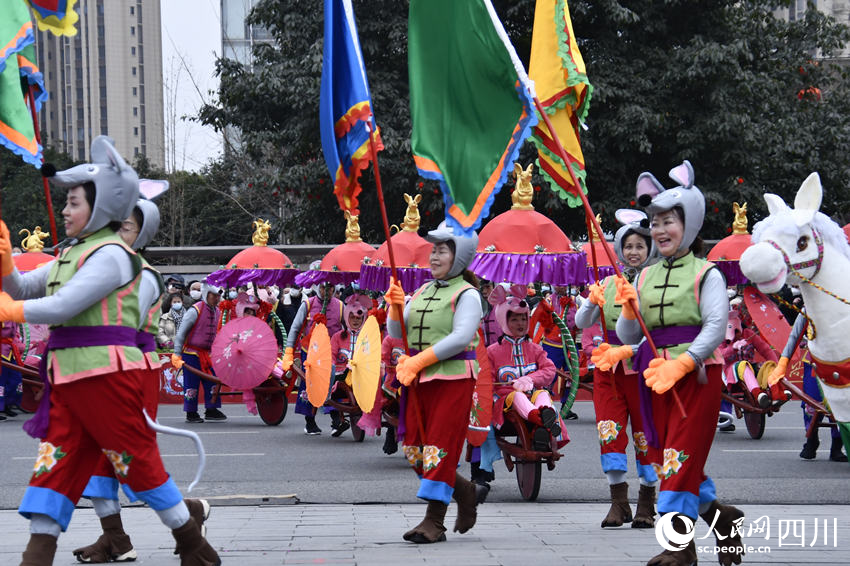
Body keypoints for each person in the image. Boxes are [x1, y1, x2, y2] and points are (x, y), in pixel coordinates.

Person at [0, 136, 218, 565]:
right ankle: (36, 556)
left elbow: (62, 306)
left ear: (100, 207)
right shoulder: (72, 254)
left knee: (135, 464)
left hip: (106, 375)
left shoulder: (114, 257)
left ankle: (195, 546)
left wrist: (9, 309)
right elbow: (22, 287)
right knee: (54, 465)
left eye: (74, 202)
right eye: (65, 202)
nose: (65, 211)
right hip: (68, 377)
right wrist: (6, 262)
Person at [609, 161, 742, 566]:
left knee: (678, 457)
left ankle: (679, 547)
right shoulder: (643, 277)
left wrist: (685, 363)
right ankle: (722, 519)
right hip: (654, 377)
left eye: (669, 221)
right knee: (666, 457)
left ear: (690, 223)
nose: (660, 230)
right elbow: (628, 336)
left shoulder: (707, 273)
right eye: (655, 223)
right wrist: (628, 309)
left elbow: (716, 326)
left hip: (697, 377)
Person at [385, 221, 486, 544]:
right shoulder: (422, 290)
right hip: (418, 379)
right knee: (415, 450)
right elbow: (397, 333)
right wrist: (394, 308)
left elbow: (461, 338)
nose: (434, 256)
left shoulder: (468, 294)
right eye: (434, 250)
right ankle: (466, 491)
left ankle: (434, 520)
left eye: (442, 250)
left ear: (460, 256)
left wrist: (419, 360)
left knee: (439, 448)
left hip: (453, 378)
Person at [576, 209, 661, 529]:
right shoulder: (607, 282)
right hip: (608, 373)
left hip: (644, 371)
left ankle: (646, 502)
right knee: (608, 432)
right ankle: (618, 501)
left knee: (645, 436)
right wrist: (591, 300)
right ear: (619, 250)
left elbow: (658, 332)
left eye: (640, 246)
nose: (633, 252)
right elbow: (581, 322)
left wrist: (627, 350)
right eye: (628, 246)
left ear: (649, 249)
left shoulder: (656, 283)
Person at [487, 284, 566, 450]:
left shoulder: (535, 348)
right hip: (506, 405)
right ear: (503, 320)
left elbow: (549, 370)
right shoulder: (492, 352)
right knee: (517, 396)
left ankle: (542, 423)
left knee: (543, 393)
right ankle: (543, 422)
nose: (520, 323)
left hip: (534, 397)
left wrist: (530, 379)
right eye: (514, 319)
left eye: (524, 319)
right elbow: (488, 382)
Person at [768, 313, 848, 462]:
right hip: (814, 363)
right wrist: (782, 364)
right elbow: (795, 336)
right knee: (811, 402)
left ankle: (837, 446)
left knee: (840, 404)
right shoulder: (807, 309)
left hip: (842, 362)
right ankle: (812, 439)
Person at [280, 282, 344, 435]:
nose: (326, 291)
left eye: (330, 288)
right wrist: (289, 351)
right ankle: (310, 422)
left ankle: (337, 419)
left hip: (331, 354)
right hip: (310, 353)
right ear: (317, 288)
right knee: (309, 385)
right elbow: (295, 328)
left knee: (334, 384)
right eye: (323, 287)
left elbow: (349, 327)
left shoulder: (341, 306)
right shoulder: (308, 304)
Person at [172, 281, 227, 423]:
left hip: (209, 354)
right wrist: (176, 354)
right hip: (191, 354)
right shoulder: (195, 310)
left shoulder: (218, 311)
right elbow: (181, 334)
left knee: (213, 381)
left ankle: (211, 409)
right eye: (213, 296)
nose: (217, 299)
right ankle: (191, 412)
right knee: (191, 384)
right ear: (206, 294)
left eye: (218, 296)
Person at [328, 293, 372, 437]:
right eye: (352, 317)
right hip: (341, 376)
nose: (355, 320)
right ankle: (338, 419)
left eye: (358, 318)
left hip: (362, 374)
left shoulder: (368, 337)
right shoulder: (337, 336)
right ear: (347, 317)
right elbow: (331, 356)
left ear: (363, 319)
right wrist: (332, 368)